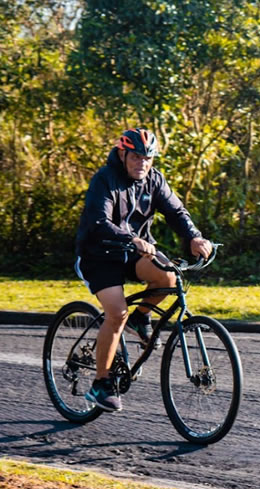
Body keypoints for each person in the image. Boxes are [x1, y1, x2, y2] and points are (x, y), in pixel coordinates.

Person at [74, 127, 213, 412]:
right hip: (99, 255)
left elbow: (176, 212)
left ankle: (141, 319)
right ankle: (101, 383)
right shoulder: (105, 180)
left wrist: (194, 237)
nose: (142, 163)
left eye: (148, 158)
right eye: (136, 156)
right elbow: (99, 222)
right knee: (116, 314)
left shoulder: (154, 180)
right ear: (123, 154)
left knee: (169, 277)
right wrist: (131, 239)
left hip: (133, 252)